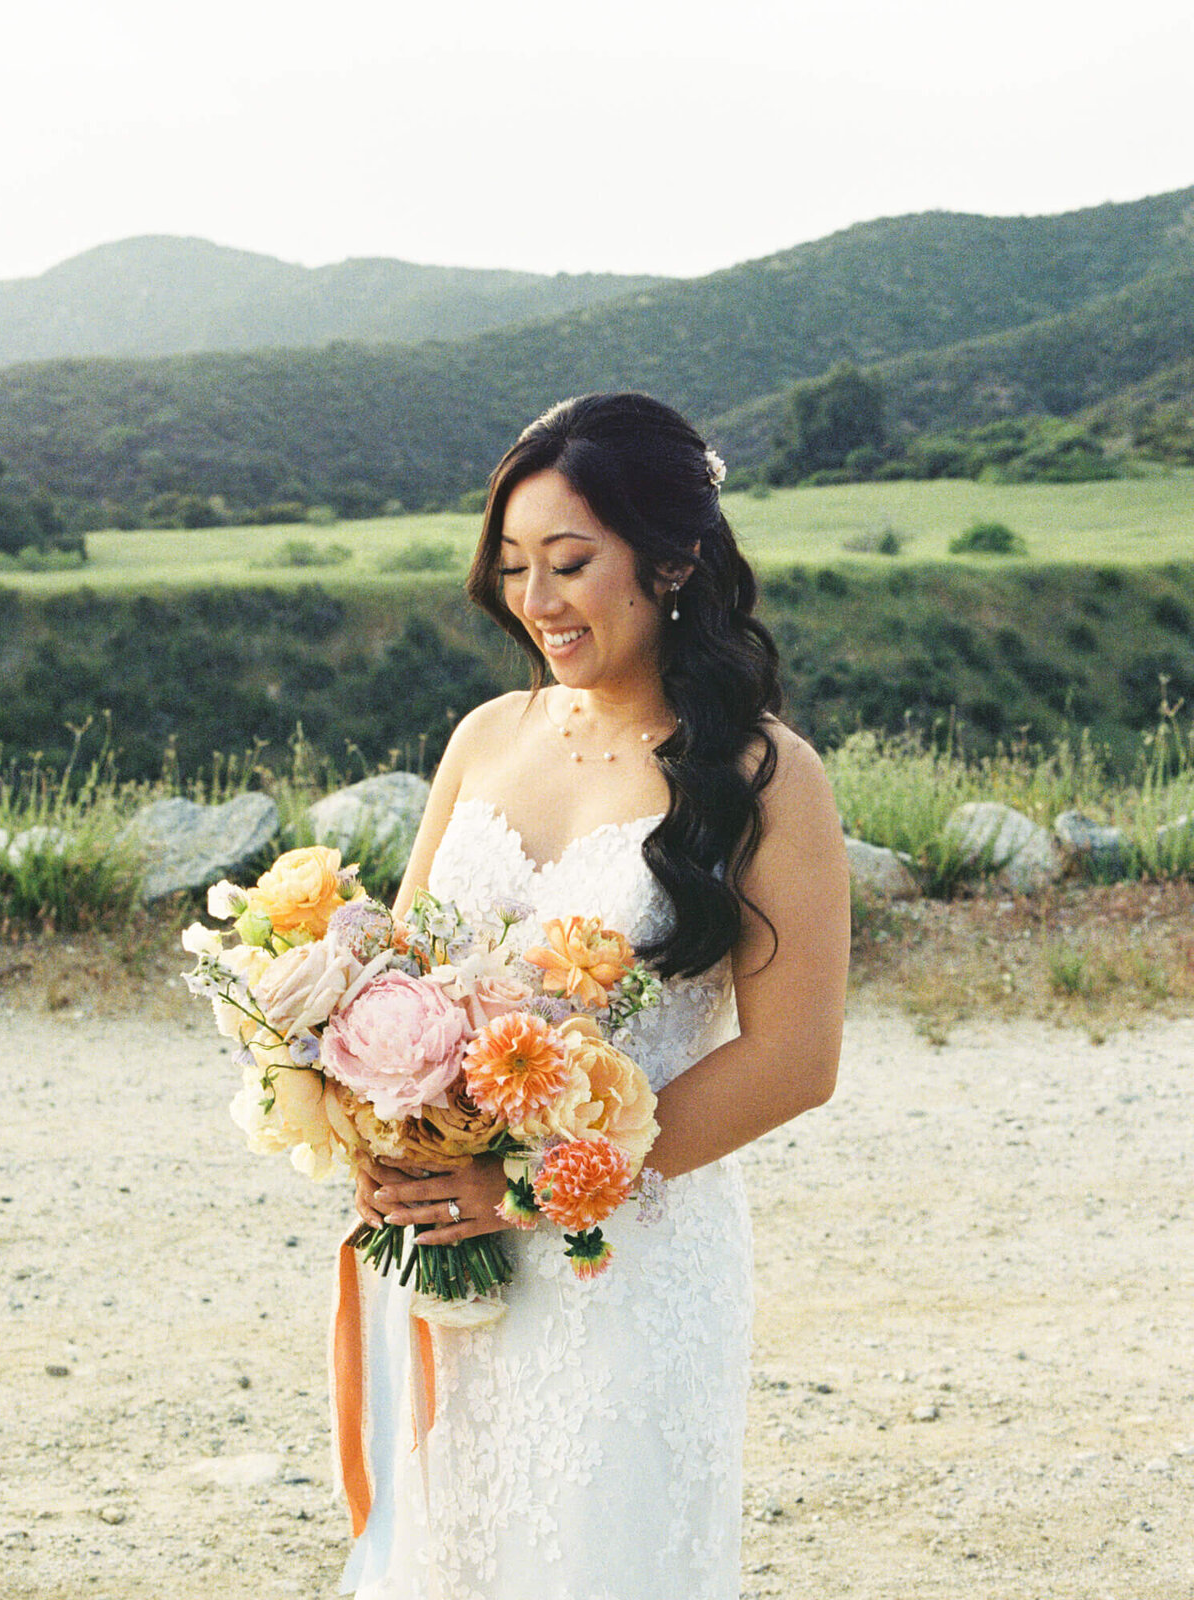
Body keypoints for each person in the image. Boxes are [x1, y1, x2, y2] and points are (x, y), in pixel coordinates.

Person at [341, 391, 850, 1600]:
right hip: (448, 1250)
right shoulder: (484, 736)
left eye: (571, 563)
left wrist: (520, 1186)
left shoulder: (766, 779)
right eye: (514, 566)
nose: (537, 600)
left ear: (673, 561)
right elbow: (398, 980)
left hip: (623, 1264)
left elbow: (795, 1059)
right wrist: (372, 1123)